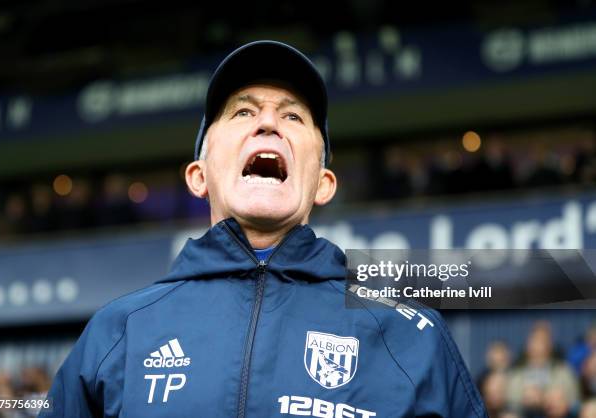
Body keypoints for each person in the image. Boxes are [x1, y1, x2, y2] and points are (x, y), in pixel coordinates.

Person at [39, 40, 486, 418]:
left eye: (293, 116)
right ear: (199, 175)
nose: (268, 122)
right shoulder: (118, 333)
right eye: (242, 113)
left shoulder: (411, 337)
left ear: (324, 184)